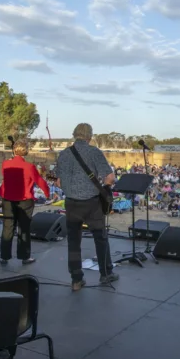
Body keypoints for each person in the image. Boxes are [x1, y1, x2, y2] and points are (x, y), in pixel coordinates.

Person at [55, 123, 117, 291]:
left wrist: (73, 189)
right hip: (92, 203)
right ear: (90, 136)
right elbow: (109, 178)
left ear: (75, 134)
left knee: (73, 241)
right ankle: (106, 274)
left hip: (71, 203)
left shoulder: (63, 154)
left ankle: (76, 279)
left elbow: (59, 182)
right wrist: (104, 188)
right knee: (100, 238)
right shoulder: (94, 152)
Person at [0, 139, 49, 265]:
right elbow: (39, 181)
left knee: (7, 227)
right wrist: (47, 193)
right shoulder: (29, 167)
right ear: (26, 151)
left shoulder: (5, 164)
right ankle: (24, 256)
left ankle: (4, 256)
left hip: (8, 199)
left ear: (14, 150)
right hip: (24, 200)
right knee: (24, 229)